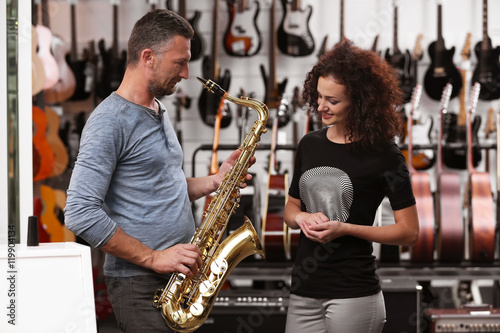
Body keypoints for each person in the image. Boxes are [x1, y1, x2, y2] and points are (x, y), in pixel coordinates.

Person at [65, 9, 253, 332]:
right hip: (141, 285)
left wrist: (214, 181)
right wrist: (154, 257)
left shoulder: (157, 108)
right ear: (148, 57)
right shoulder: (108, 121)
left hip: (179, 281)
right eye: (179, 62)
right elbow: (80, 213)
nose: (185, 73)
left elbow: (161, 183)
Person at [283, 40, 420, 333]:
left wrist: (346, 229)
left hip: (354, 293)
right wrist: (303, 218)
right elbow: (291, 209)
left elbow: (409, 232)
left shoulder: (385, 155)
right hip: (303, 290)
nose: (321, 106)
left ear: (360, 102)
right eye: (318, 97)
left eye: (332, 101)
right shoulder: (309, 144)